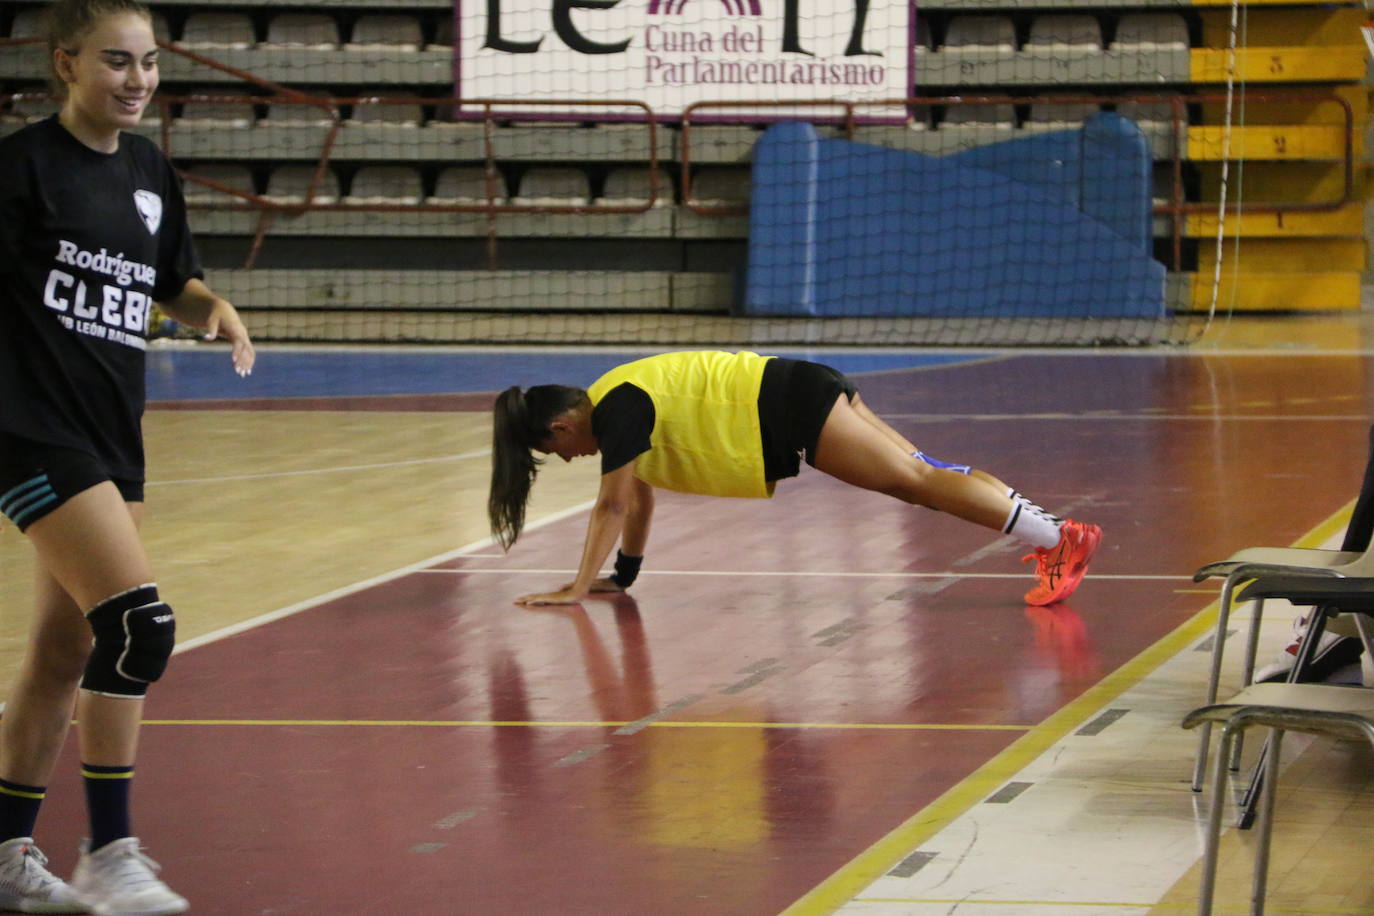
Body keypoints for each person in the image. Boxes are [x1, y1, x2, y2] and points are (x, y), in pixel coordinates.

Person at [0, 0, 255, 911]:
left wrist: (211, 308)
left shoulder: (149, 169)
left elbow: (167, 279)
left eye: (148, 62)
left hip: (114, 431)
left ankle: (3, 854)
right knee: (139, 628)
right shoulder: (22, 168)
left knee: (61, 653)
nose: (138, 80)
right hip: (32, 427)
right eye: (116, 61)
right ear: (66, 63)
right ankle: (111, 853)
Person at [488, 351, 1101, 609]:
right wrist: (621, 575)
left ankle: (1058, 540)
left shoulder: (616, 407)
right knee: (923, 476)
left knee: (916, 480)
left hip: (790, 405)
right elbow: (639, 496)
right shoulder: (618, 399)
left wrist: (576, 587)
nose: (565, 459)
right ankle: (1054, 535)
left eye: (554, 447)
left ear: (565, 423)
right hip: (800, 387)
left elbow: (613, 506)